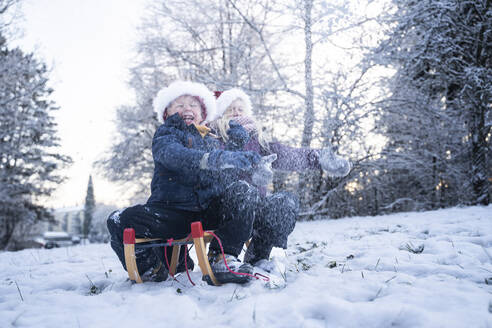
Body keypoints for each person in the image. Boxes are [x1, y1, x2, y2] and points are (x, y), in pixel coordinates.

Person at [107, 81, 264, 285]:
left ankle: (223, 258)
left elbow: (229, 176)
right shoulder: (166, 134)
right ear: (167, 112)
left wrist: (236, 147)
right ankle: (151, 267)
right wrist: (212, 159)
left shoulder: (213, 139)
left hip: (208, 211)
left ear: (203, 112)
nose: (187, 109)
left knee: (243, 191)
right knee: (118, 220)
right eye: (179, 105)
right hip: (173, 213)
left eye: (193, 105)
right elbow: (173, 155)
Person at [211, 88, 351, 270]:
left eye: (240, 108)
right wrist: (248, 172)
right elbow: (212, 170)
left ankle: (258, 255)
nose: (236, 112)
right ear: (221, 113)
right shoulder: (214, 137)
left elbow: (287, 155)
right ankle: (223, 257)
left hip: (254, 205)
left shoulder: (257, 140)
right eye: (231, 109)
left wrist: (319, 157)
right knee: (244, 192)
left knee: (285, 203)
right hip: (225, 207)